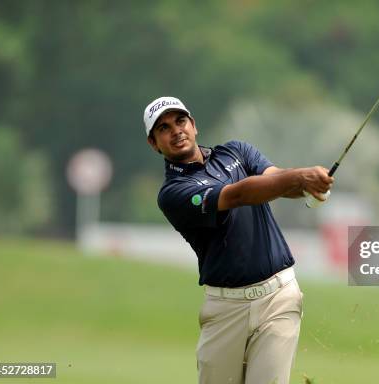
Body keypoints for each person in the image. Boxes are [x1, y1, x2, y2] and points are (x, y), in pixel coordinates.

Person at [143, 96, 334, 384]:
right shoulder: (173, 193)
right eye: (163, 128)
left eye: (180, 121)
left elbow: (277, 179)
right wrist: (299, 176)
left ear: (193, 125)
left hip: (278, 297)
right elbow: (237, 195)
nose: (176, 131)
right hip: (225, 309)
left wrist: (307, 185)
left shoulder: (236, 152)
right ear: (154, 144)